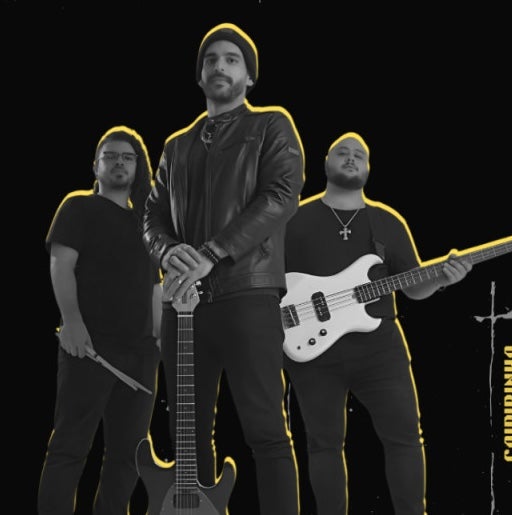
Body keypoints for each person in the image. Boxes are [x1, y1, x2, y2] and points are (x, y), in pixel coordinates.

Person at [142, 22, 305, 515]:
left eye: (232, 59)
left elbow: (281, 195)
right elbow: (150, 217)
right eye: (210, 60)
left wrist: (212, 253)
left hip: (248, 293)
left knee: (265, 430)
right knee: (187, 435)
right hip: (184, 304)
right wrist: (167, 251)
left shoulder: (271, 124)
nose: (219, 66)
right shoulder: (175, 146)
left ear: (249, 77)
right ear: (199, 76)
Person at [282, 131, 472, 515]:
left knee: (405, 438)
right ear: (326, 163)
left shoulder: (387, 221)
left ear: (368, 169)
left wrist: (441, 278)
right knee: (323, 443)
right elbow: (269, 282)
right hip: (313, 350)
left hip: (380, 349)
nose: (351, 158)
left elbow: (414, 286)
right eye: (342, 152)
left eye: (359, 155)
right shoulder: (294, 218)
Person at [37, 126, 162, 515]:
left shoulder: (148, 223)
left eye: (128, 157)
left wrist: (160, 340)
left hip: (141, 355)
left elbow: (155, 287)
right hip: (89, 348)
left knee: (129, 456)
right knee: (70, 447)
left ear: (138, 167)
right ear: (96, 165)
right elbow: (61, 265)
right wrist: (71, 323)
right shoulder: (78, 207)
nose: (120, 163)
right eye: (112, 156)